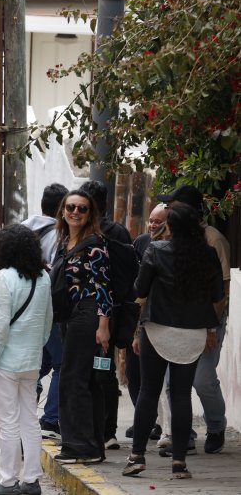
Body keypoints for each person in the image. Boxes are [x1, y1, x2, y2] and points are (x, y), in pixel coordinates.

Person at [122, 202, 223, 480]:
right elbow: (217, 297)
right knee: (181, 396)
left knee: (148, 392)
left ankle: (137, 457)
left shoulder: (155, 250)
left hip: (157, 329)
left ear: (171, 226)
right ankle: (179, 463)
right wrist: (211, 331)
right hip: (193, 333)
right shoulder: (209, 254)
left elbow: (139, 289)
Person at [0, 224, 51, 495]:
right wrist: (33, 348)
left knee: (7, 422)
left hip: (6, 361)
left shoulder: (4, 277)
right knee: (30, 420)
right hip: (31, 361)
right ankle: (31, 480)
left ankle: (7, 481)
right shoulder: (43, 277)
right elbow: (47, 322)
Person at [157, 184, 231, 456]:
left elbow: (221, 290)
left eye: (172, 206)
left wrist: (211, 327)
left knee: (202, 379)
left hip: (208, 320)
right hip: (176, 321)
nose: (167, 210)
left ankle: (215, 426)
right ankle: (183, 436)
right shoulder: (169, 237)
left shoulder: (213, 240)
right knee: (172, 381)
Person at [54, 189, 112, 464]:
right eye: (70, 207)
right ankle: (92, 446)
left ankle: (78, 447)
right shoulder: (64, 241)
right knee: (86, 380)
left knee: (72, 380)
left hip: (88, 314)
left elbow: (103, 286)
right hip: (71, 315)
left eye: (82, 208)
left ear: (91, 214)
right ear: (63, 211)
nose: (75, 213)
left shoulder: (94, 244)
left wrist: (103, 325)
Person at [79, 180, 129, 450]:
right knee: (104, 370)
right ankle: (107, 430)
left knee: (92, 371)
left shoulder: (91, 234)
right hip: (112, 315)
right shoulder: (119, 232)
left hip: (96, 318)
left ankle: (98, 429)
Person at [22, 182, 67, 440]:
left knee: (40, 361)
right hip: (50, 309)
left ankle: (22, 405)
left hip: (25, 308)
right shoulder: (60, 235)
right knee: (60, 362)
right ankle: (50, 419)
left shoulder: (24, 228)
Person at [125, 203, 170, 446]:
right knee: (134, 374)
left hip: (163, 321)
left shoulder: (173, 249)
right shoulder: (141, 242)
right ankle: (148, 420)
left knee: (165, 384)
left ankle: (167, 428)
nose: (153, 225)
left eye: (158, 221)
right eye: (150, 220)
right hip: (140, 318)